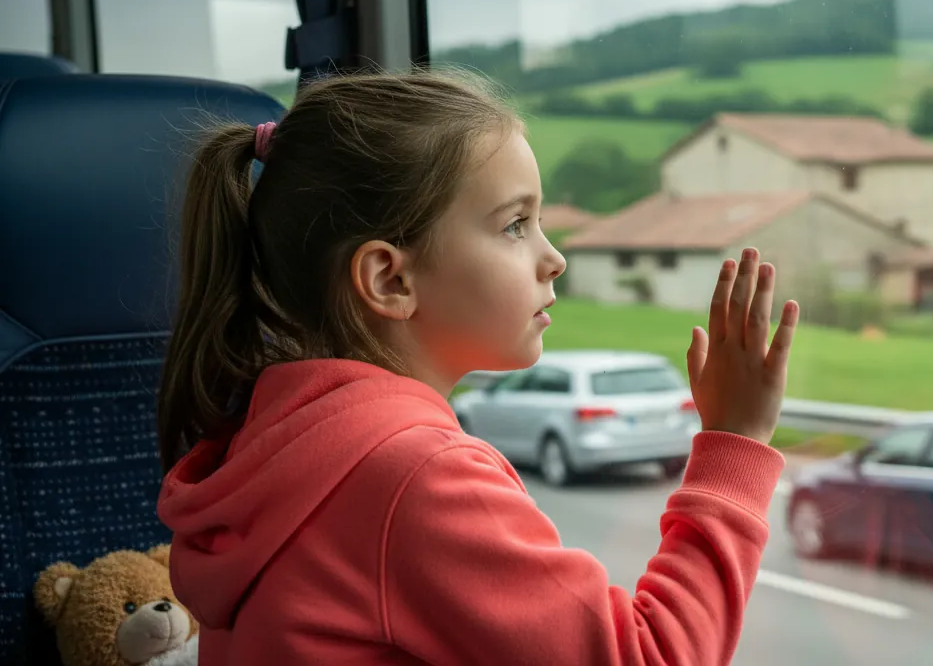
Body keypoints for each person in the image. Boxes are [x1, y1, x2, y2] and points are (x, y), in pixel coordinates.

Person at [155, 69, 801, 665]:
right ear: (389, 279)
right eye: (516, 225)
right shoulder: (415, 477)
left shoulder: (282, 442)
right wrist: (734, 446)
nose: (556, 260)